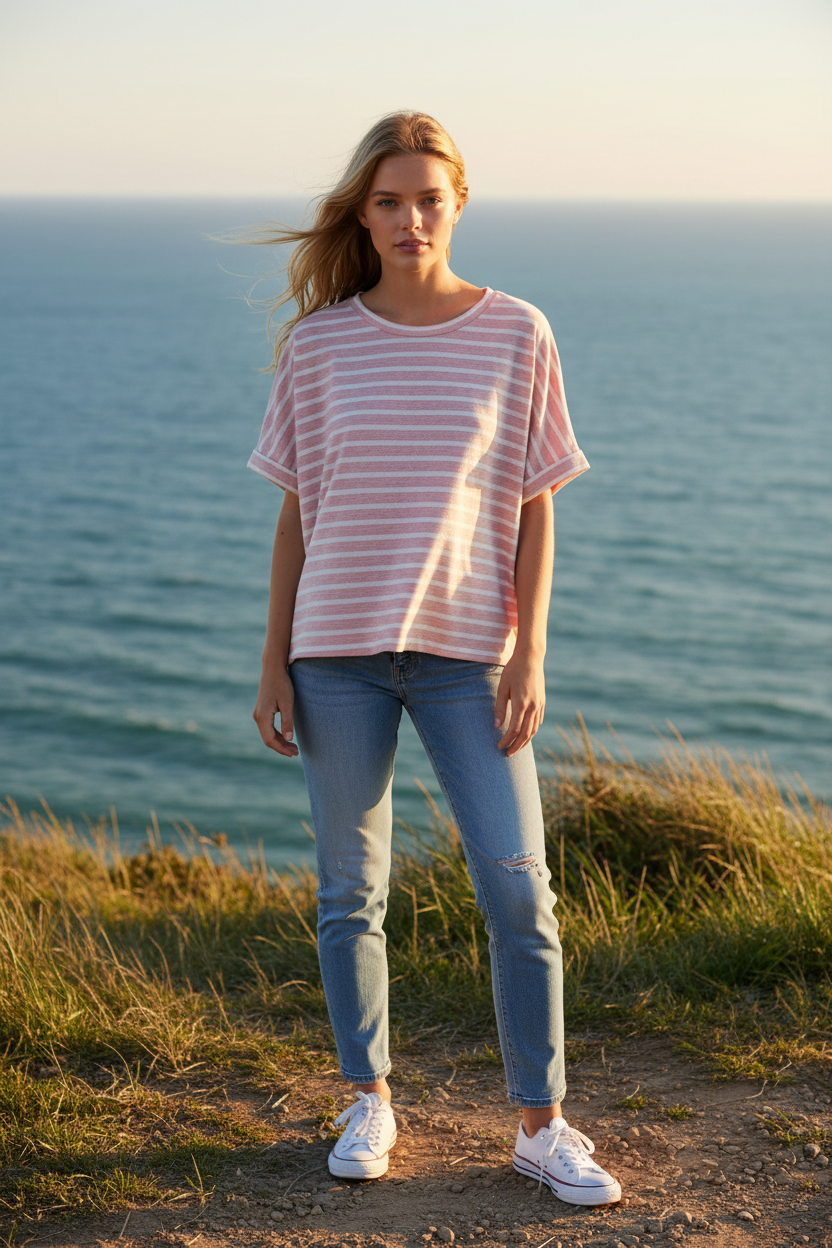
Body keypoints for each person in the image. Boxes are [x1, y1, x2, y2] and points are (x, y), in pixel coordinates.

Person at [246, 111, 620, 1207]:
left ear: (458, 203)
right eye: (387, 201)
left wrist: (528, 650)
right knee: (348, 893)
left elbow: (537, 505)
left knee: (519, 889)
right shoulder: (318, 345)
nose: (410, 219)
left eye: (428, 199)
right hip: (337, 658)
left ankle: (540, 1126)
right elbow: (296, 515)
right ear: (361, 214)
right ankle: (368, 1097)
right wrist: (274, 662)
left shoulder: (516, 332)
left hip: (469, 657)